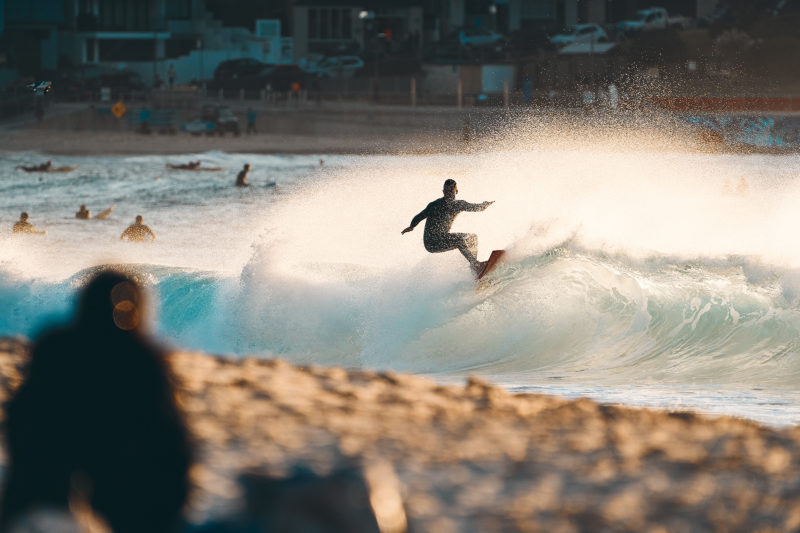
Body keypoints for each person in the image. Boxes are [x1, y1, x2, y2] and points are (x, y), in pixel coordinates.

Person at [0, 270, 194, 533]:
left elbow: (19, 420)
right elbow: (173, 446)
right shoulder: (143, 359)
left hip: (61, 489)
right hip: (113, 496)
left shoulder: (54, 347)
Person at [401, 179, 494, 274]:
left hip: (443, 237)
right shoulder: (434, 205)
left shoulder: (459, 204)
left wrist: (484, 205)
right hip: (431, 242)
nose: (448, 194)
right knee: (460, 240)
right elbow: (419, 216)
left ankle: (474, 266)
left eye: (451, 191)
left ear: (456, 191)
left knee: (473, 237)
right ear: (443, 192)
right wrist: (412, 226)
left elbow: (475, 207)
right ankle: (476, 265)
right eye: (446, 191)